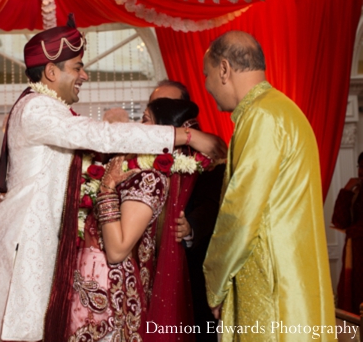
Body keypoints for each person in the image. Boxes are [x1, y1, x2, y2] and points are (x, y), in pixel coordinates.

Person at [0, 14, 227, 342]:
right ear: (51, 71)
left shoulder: (51, 109)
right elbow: (98, 135)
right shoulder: (36, 108)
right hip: (26, 251)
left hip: (39, 248)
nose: (84, 74)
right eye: (77, 67)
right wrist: (186, 138)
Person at [202, 31, 335, 339]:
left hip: (272, 284)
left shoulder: (261, 116)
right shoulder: (281, 109)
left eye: (207, 75)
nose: (207, 86)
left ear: (224, 69)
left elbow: (240, 214)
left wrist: (214, 282)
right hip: (295, 278)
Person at [67, 98, 203, 341]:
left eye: (146, 120)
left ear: (165, 132)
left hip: (111, 293)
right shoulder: (134, 172)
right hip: (94, 285)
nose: (138, 128)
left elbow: (118, 249)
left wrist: (107, 188)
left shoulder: (148, 179)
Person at [149, 80, 223, 342]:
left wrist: (190, 227)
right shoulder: (141, 154)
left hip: (193, 271)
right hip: (148, 272)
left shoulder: (208, 154)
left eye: (170, 106)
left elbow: (211, 205)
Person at [332, 152, 363, 313]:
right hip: (355, 252)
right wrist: (346, 190)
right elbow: (339, 221)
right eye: (360, 167)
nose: (361, 172)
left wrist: (352, 230)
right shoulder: (356, 192)